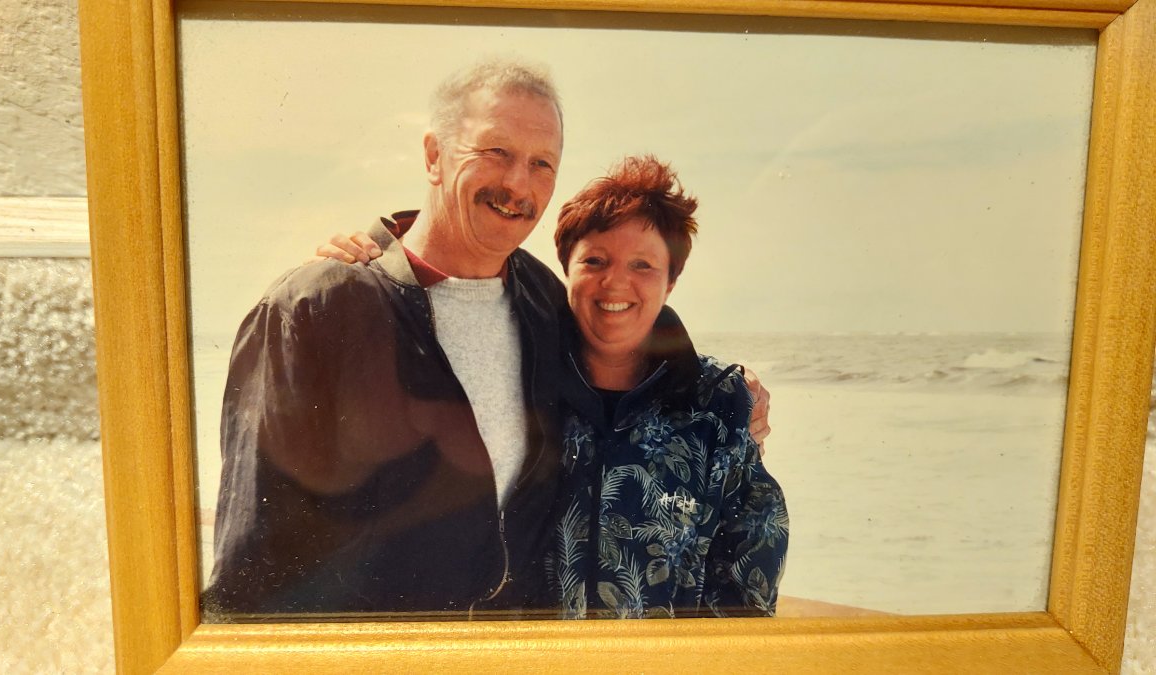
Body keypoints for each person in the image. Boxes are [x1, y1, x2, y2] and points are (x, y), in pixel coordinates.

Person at [208, 57, 771, 618]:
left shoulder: (542, 300)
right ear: (434, 156)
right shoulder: (314, 309)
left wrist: (723, 388)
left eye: (542, 163)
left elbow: (621, 326)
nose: (518, 183)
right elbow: (251, 570)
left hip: (509, 648)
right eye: (496, 151)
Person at [545, 156, 787, 619]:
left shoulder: (718, 404)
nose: (616, 281)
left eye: (643, 265)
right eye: (595, 260)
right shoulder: (522, 378)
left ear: (671, 282)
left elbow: (749, 573)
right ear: (566, 270)